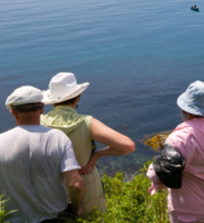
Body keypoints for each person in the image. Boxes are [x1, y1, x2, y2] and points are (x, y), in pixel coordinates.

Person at [0, 86, 84, 223]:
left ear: (13, 112)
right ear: (41, 108)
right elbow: (75, 184)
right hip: (56, 218)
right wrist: (76, 208)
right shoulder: (58, 138)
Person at [40, 72, 136, 215]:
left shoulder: (39, 122)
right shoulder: (86, 123)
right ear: (78, 97)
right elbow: (128, 146)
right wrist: (98, 154)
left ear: (52, 100)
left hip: (51, 192)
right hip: (87, 190)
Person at [147, 80, 204, 223]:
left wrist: (152, 171)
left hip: (186, 210)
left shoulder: (178, 138)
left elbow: (157, 174)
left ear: (185, 109)